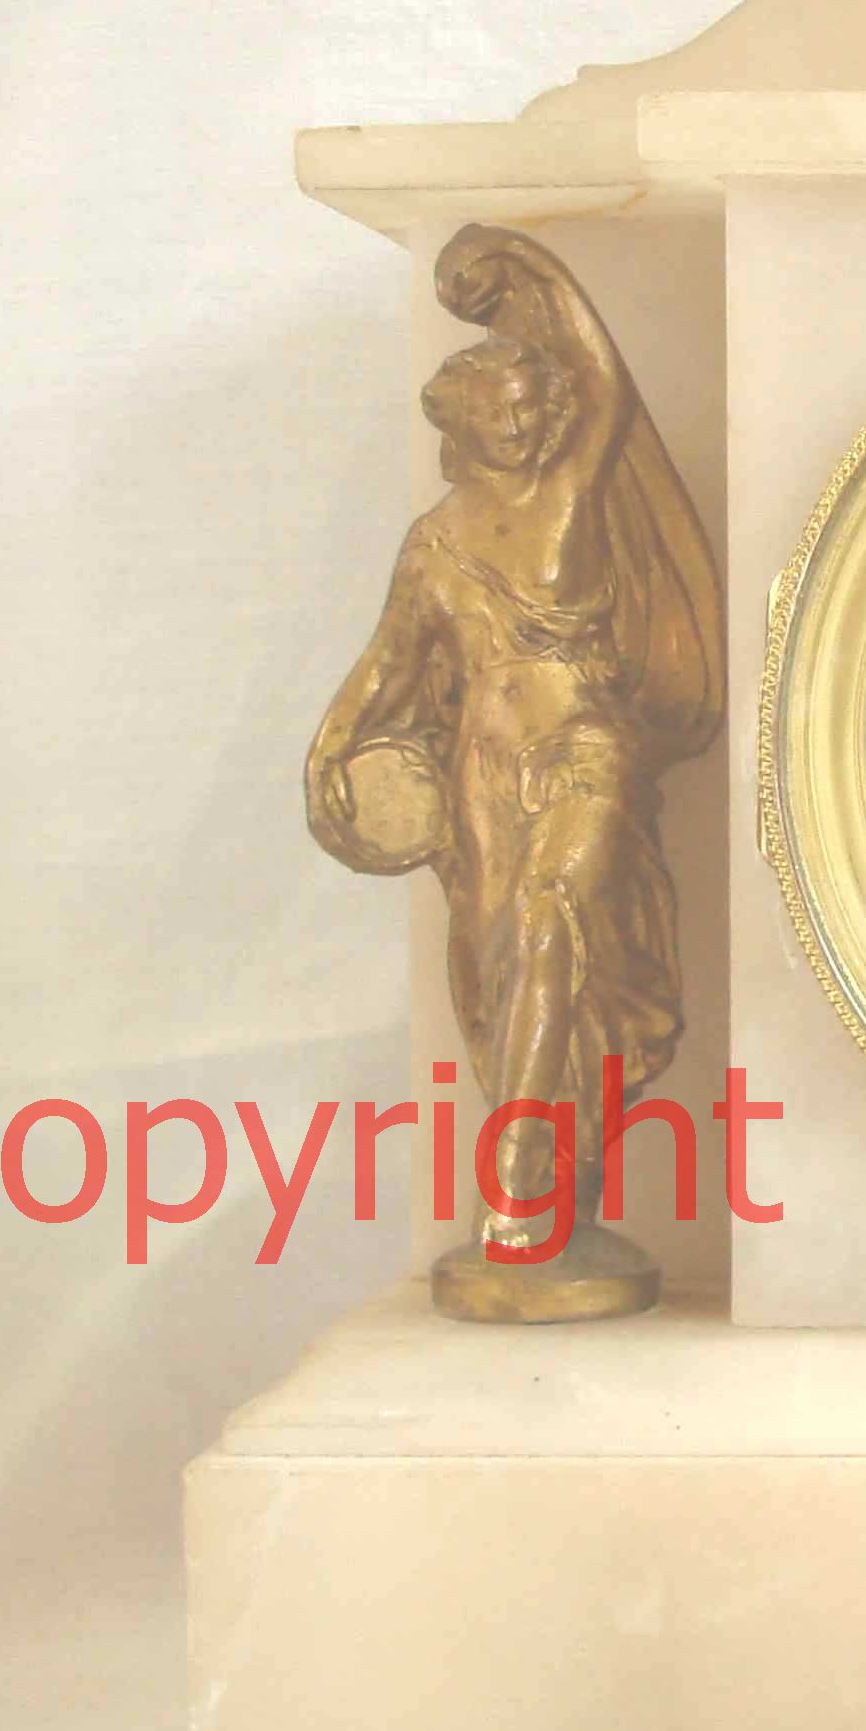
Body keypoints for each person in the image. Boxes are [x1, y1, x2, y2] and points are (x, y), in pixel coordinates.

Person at [306, 225, 720, 1312]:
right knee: (496, 979)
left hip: (586, 749)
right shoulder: (435, 544)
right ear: (466, 425)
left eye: (539, 406)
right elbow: (388, 668)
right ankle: (560, 1193)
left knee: (552, 923)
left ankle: (520, 1174)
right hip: (483, 771)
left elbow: (607, 389)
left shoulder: (569, 496)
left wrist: (530, 274)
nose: (533, 423)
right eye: (510, 410)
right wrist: (331, 751)